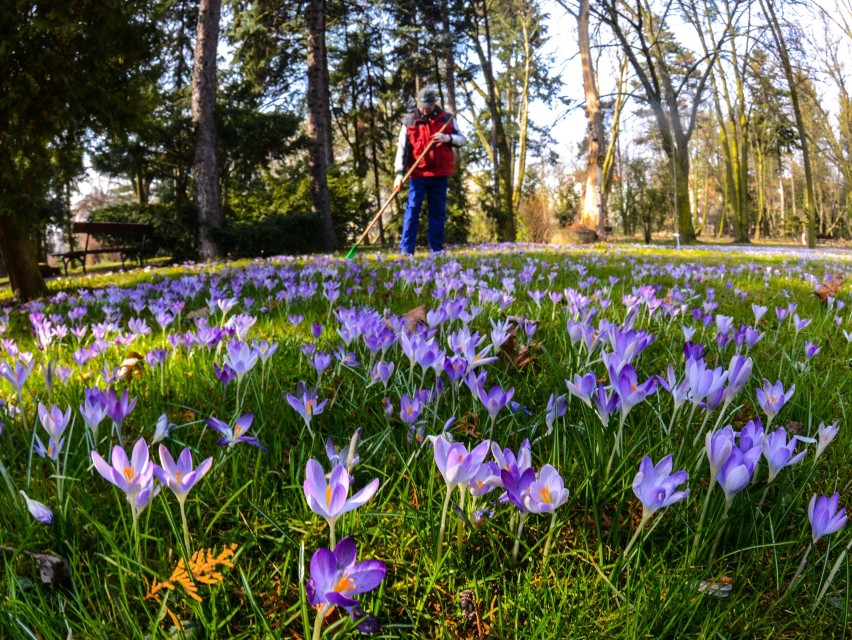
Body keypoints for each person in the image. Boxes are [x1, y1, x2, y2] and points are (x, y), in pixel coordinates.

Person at [393, 87, 465, 255]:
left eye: (428, 106)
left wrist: (447, 139)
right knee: (412, 211)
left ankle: (436, 250)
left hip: (440, 174)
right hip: (418, 174)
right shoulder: (410, 121)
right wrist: (399, 174)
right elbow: (402, 150)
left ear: (434, 104)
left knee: (437, 213)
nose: (424, 109)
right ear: (417, 104)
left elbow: (461, 140)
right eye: (422, 105)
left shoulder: (447, 119)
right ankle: (406, 250)